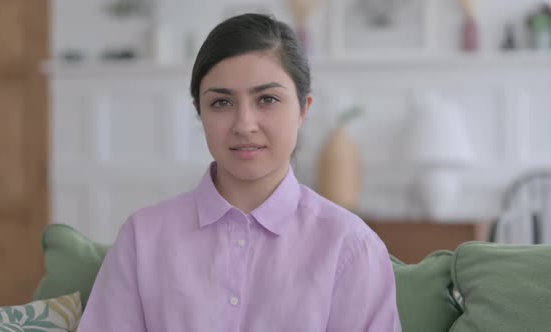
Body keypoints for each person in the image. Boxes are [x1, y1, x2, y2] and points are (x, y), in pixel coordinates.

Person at [78, 13, 401, 332]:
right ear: (199, 112)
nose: (244, 125)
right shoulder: (143, 238)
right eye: (221, 103)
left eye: (268, 99)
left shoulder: (351, 245)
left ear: (303, 109)